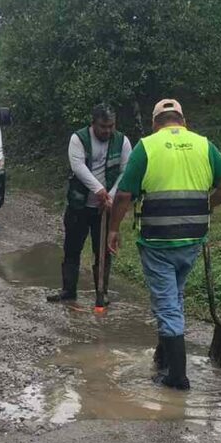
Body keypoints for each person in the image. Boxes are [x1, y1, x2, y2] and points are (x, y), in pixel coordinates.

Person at [108, 99, 221, 389]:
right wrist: (208, 205)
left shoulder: (148, 146)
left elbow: (123, 195)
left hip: (157, 241)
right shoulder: (204, 145)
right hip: (192, 238)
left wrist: (113, 229)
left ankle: (177, 377)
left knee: (167, 304)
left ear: (156, 123)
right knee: (174, 296)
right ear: (183, 120)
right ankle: (163, 356)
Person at [47, 104, 133, 304]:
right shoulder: (78, 139)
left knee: (102, 251)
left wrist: (110, 196)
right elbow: (78, 167)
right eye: (103, 126)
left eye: (111, 126)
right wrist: (99, 190)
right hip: (79, 205)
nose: (107, 131)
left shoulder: (122, 141)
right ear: (93, 123)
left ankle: (101, 294)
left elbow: (125, 171)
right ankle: (68, 291)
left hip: (106, 207)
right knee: (72, 249)